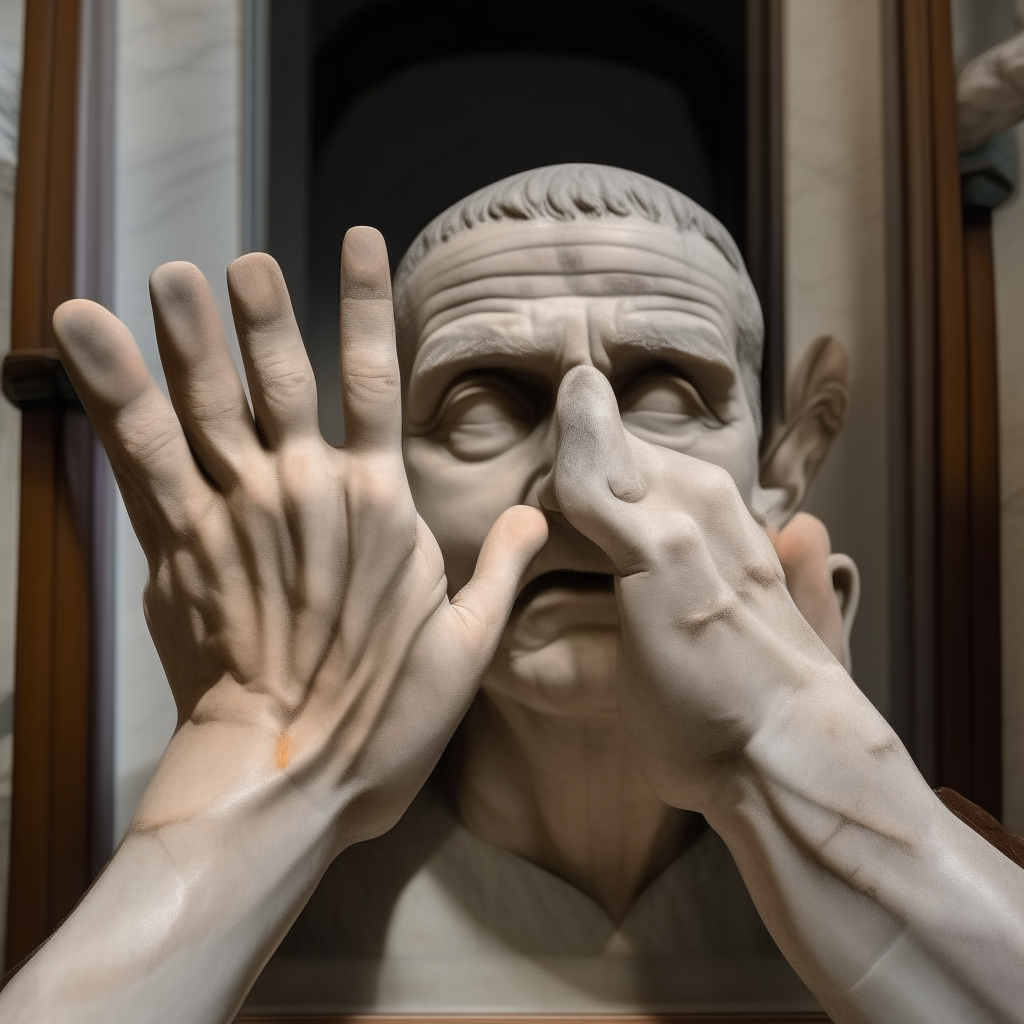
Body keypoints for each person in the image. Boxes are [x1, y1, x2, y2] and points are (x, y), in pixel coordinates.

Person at [1, 165, 1022, 1024]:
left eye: (666, 390)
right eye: (485, 403)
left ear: (779, 472)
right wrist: (274, 788)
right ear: (385, 482)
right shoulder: (299, 893)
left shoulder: (934, 845)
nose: (583, 481)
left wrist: (810, 781)